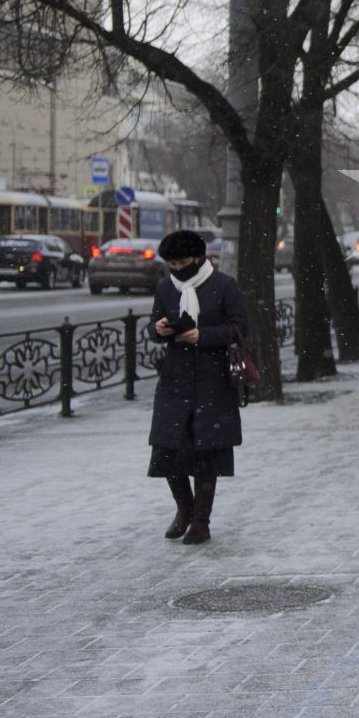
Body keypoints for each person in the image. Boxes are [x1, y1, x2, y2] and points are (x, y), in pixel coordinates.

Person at [146, 228, 251, 545]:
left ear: (197, 258)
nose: (176, 269)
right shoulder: (166, 287)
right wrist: (160, 328)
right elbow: (154, 324)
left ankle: (201, 522)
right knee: (167, 450)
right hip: (175, 379)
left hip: (213, 380)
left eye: (181, 263)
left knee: (207, 453)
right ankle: (185, 509)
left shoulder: (223, 285)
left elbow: (240, 329)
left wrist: (203, 336)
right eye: (171, 264)